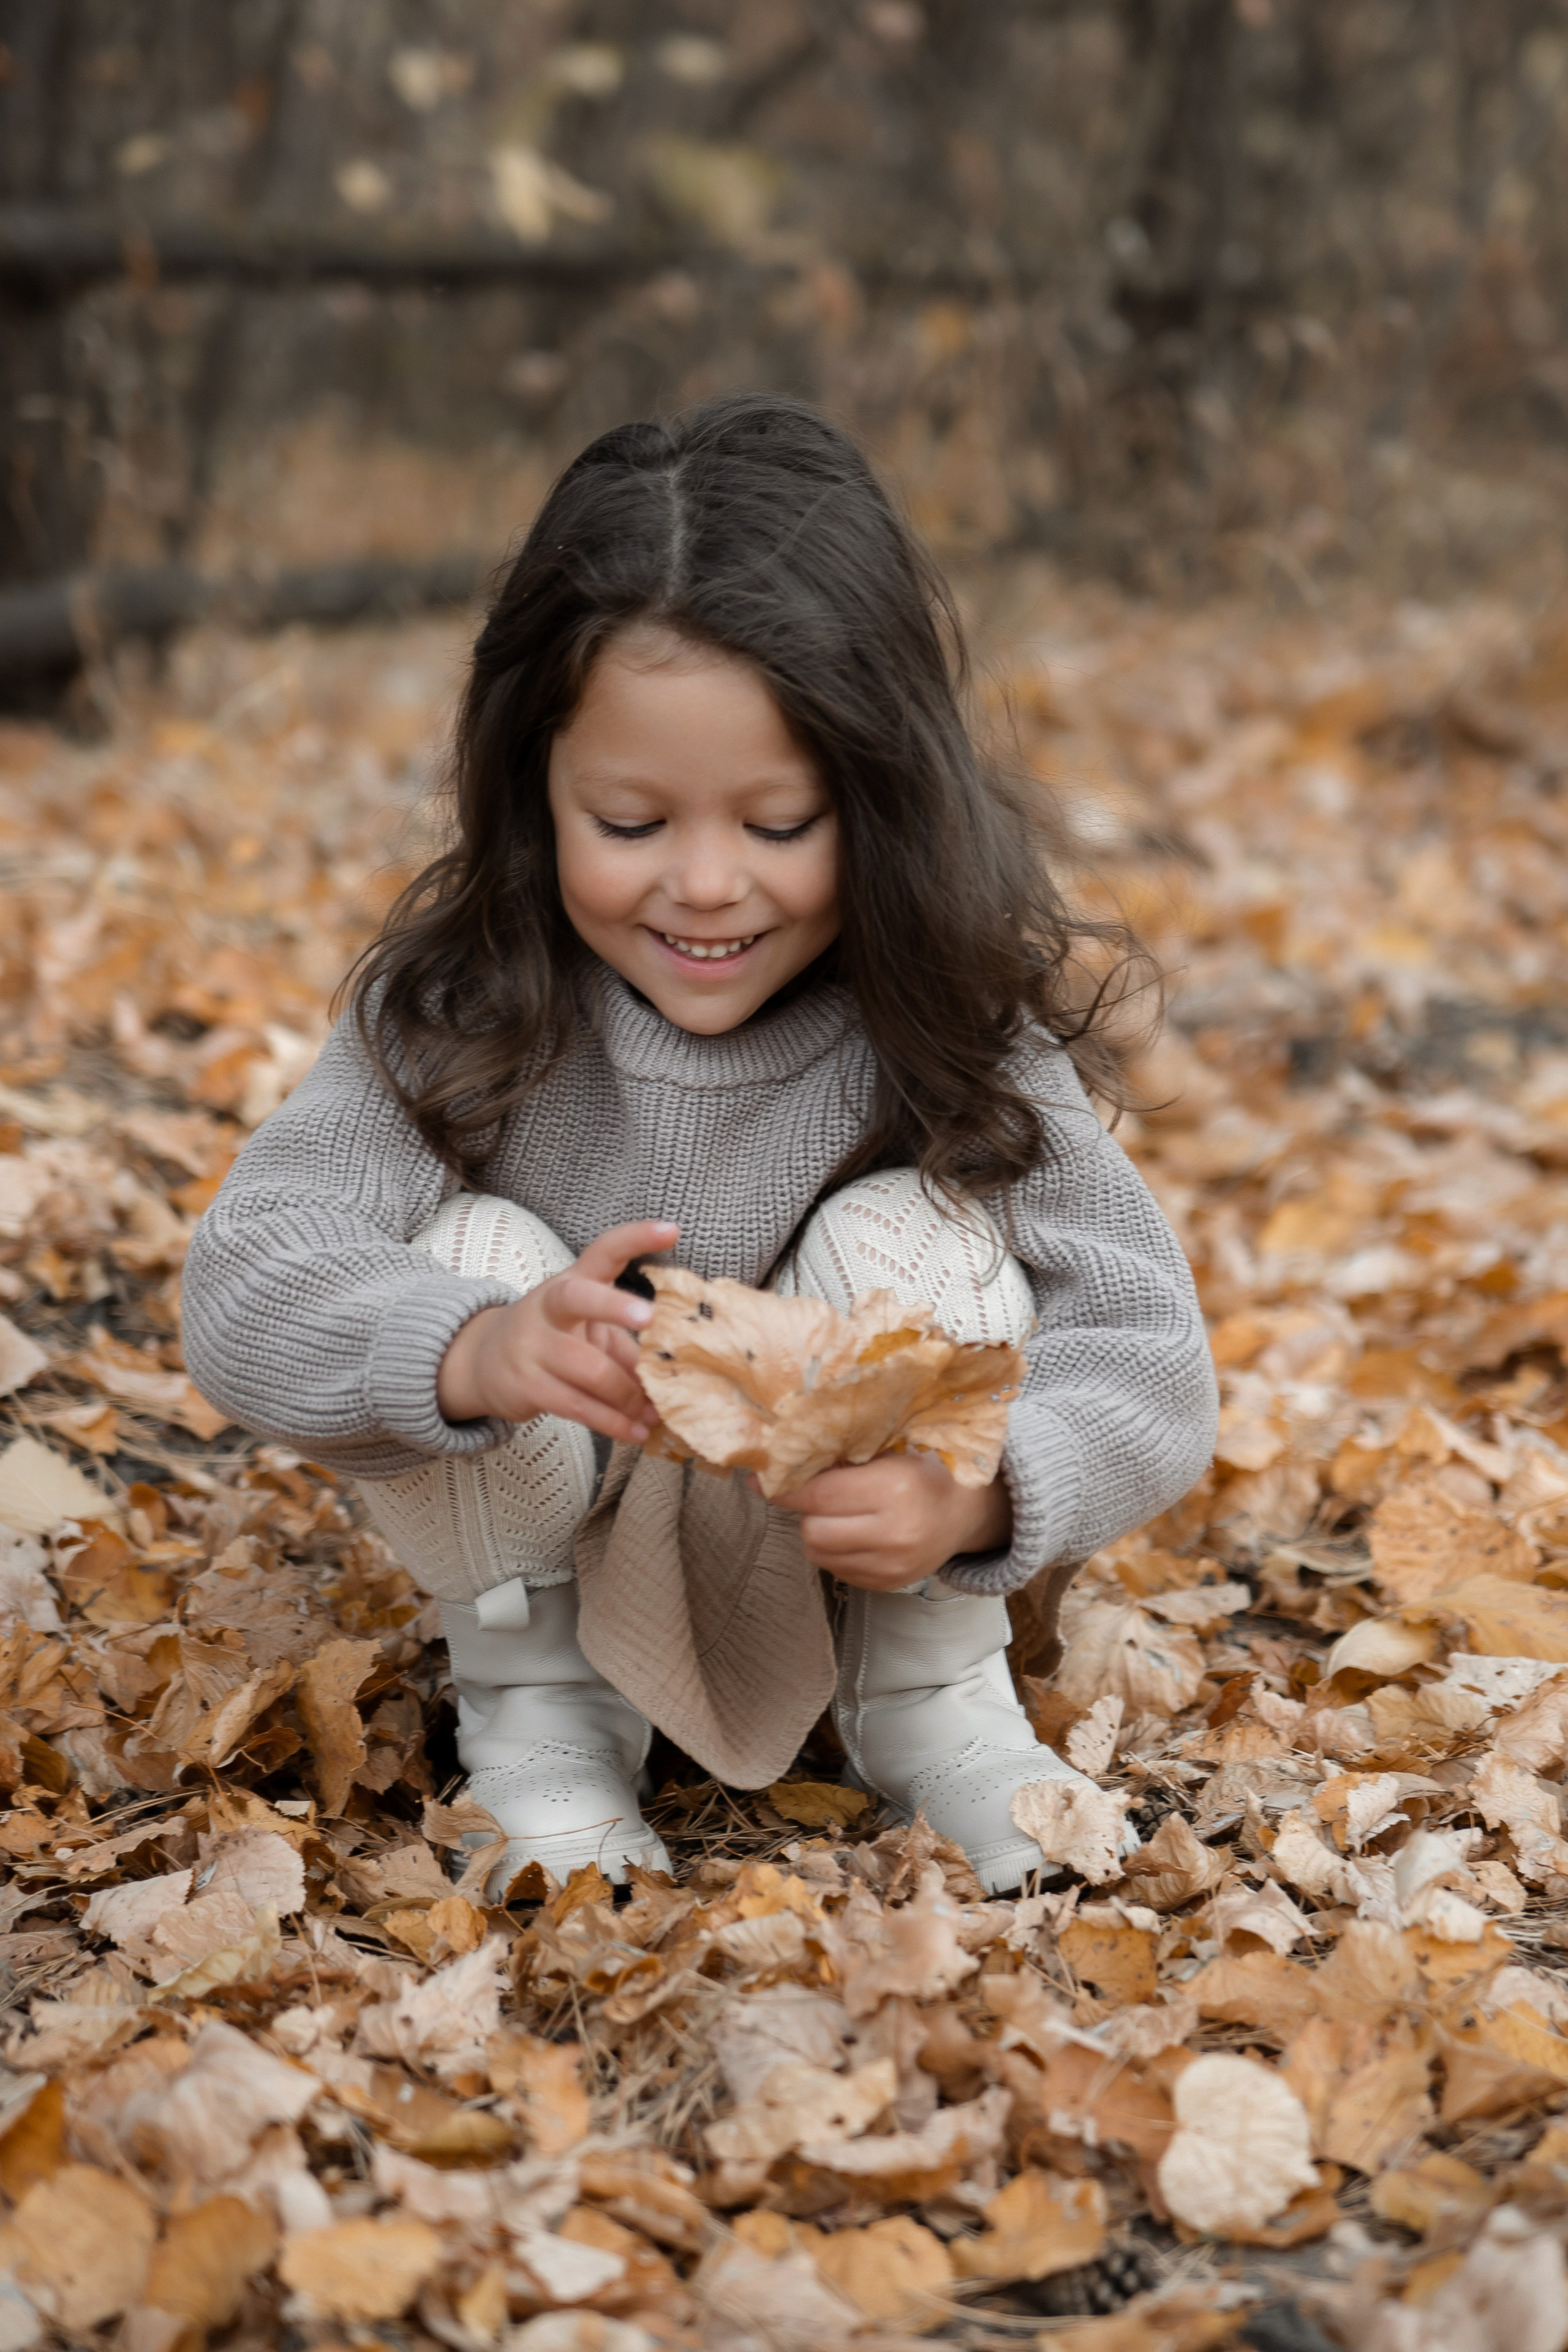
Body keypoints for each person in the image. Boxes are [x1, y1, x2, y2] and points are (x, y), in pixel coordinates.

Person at [182, 393, 1218, 1896]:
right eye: (630, 817)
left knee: (919, 1234)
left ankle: (930, 1704)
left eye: (783, 822)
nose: (709, 886)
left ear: (882, 794)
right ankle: (540, 1722)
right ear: (533, 784)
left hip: (857, 1559)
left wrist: (976, 1497)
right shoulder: (461, 1011)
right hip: (559, 1526)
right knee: (465, 1257)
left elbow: (1144, 1344)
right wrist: (471, 1350)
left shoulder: (939, 1018)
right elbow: (246, 1275)